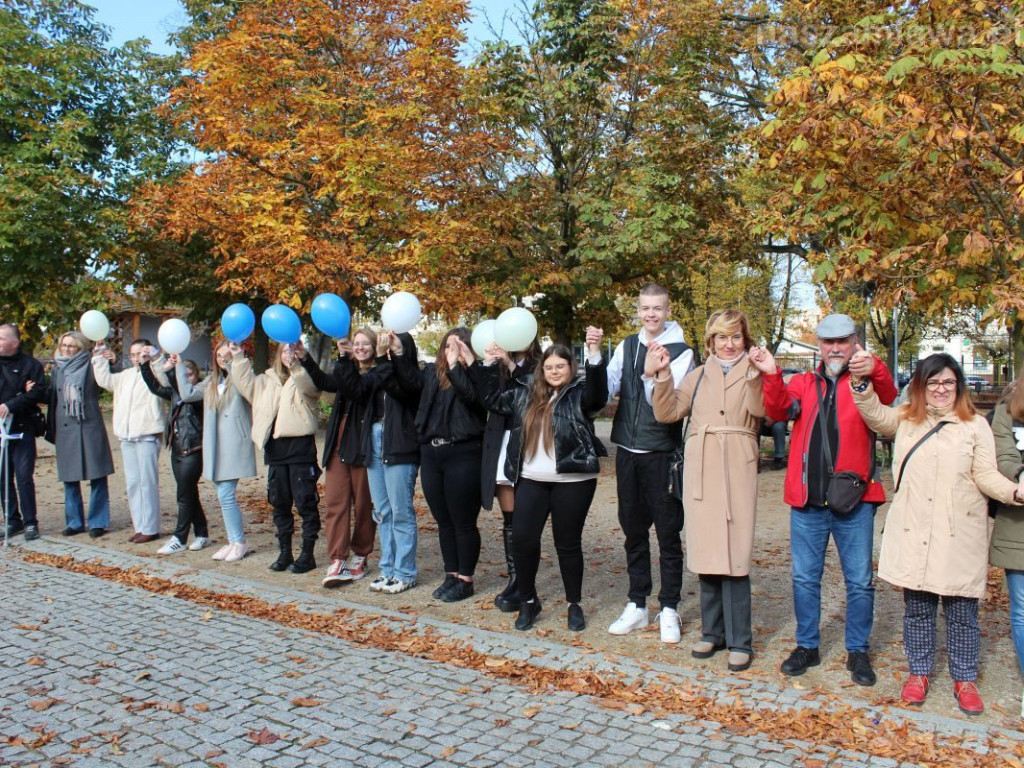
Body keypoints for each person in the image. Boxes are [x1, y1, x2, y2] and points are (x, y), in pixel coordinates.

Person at [851, 352, 1022, 715]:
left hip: (959, 531)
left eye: (948, 382)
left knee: (962, 611)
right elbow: (877, 417)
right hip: (915, 528)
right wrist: (862, 385)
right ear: (921, 386)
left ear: (957, 386)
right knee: (918, 610)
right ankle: (919, 673)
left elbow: (986, 474)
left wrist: (1014, 492)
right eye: (933, 382)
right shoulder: (906, 419)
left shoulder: (975, 425)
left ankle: (964, 678)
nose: (941, 389)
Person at [756, 313, 896, 686]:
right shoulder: (804, 382)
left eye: (842, 342)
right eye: (828, 342)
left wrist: (876, 367)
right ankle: (807, 645)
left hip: (856, 499)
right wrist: (771, 374)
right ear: (819, 346)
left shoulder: (865, 381)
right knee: (804, 578)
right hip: (807, 502)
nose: (835, 349)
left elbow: (892, 399)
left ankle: (858, 650)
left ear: (854, 343)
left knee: (860, 580)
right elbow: (777, 412)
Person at [649, 310, 765, 671]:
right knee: (706, 551)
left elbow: (761, 410)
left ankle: (740, 639)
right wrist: (663, 375)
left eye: (735, 337)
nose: (728, 345)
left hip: (736, 465)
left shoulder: (754, 373)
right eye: (721, 338)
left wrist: (762, 375)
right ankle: (712, 632)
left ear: (745, 340)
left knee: (735, 554)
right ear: (710, 342)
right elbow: (666, 413)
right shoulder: (697, 377)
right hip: (701, 469)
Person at [475, 341, 607, 631]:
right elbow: (493, 401)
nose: (555, 371)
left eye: (561, 365)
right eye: (549, 367)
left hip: (573, 480)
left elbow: (599, 396)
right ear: (541, 370)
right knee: (522, 540)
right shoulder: (527, 395)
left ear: (571, 368)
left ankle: (574, 604)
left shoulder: (580, 394)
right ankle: (529, 601)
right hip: (532, 479)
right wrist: (487, 365)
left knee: (567, 544)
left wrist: (595, 354)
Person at [596, 284, 694, 644]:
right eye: (645, 308)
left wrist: (652, 374)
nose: (651, 314)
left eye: (657, 308)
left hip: (661, 454)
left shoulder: (682, 351)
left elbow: (665, 407)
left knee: (667, 534)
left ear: (668, 310)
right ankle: (637, 604)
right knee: (633, 531)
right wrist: (593, 366)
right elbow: (607, 386)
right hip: (627, 452)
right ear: (637, 311)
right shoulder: (627, 345)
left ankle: (669, 607)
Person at [393, 327, 486, 599]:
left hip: (464, 453)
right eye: (448, 346)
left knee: (463, 521)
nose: (451, 351)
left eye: (458, 346)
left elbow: (475, 399)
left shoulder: (477, 374)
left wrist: (460, 366)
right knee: (443, 520)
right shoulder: (432, 374)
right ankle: (451, 574)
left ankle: (465, 579)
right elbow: (409, 383)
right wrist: (398, 353)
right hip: (432, 454)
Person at [336, 330, 422, 594]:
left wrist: (390, 359)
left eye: (394, 343)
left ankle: (405, 572)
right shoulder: (378, 371)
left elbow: (403, 389)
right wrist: (343, 359)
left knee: (400, 511)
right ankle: (387, 569)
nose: (388, 345)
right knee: (382, 511)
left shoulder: (411, 374)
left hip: (399, 445)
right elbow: (357, 390)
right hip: (374, 440)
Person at [297, 331, 377, 586]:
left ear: (374, 347)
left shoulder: (378, 372)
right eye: (357, 343)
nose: (360, 347)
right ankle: (337, 558)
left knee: (364, 505)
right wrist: (305, 358)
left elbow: (357, 391)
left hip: (362, 445)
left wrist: (344, 359)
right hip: (338, 444)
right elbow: (327, 382)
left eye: (366, 343)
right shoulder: (346, 368)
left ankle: (361, 553)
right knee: (335, 503)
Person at [175, 340, 257, 562]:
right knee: (222, 494)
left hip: (233, 445)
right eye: (219, 356)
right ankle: (233, 541)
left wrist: (234, 362)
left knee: (226, 495)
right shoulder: (212, 381)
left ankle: (239, 542)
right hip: (215, 446)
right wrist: (179, 367)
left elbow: (249, 391)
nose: (223, 359)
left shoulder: (240, 377)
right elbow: (188, 394)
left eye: (227, 355)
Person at [245, 342, 322, 574]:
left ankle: (307, 554)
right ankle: (285, 551)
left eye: (292, 350)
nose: (288, 354)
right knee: (279, 503)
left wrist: (298, 366)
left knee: (305, 503)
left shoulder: (305, 375)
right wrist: (237, 357)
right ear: (278, 355)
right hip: (276, 451)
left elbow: (311, 389)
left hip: (300, 449)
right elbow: (245, 384)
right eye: (284, 350)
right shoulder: (267, 380)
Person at [480, 340, 540, 612]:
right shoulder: (498, 364)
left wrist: (510, 364)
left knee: (526, 521)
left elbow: (533, 390)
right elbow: (487, 398)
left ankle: (527, 583)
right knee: (510, 520)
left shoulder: (539, 364)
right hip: (501, 443)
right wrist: (490, 365)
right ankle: (516, 579)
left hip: (527, 445)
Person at [92, 338, 165, 543]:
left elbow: (165, 380)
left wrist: (154, 358)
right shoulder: (125, 376)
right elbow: (105, 380)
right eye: (133, 354)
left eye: (140, 353)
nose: (136, 358)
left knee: (147, 482)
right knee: (133, 483)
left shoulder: (154, 372)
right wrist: (99, 356)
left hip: (147, 433)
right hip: (127, 435)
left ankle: (151, 527)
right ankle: (140, 525)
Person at [141, 353, 209, 553]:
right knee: (189, 493)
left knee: (183, 495)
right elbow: (154, 387)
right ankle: (202, 533)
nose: (186, 378)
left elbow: (184, 389)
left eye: (190, 374)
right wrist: (145, 364)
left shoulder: (198, 393)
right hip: (177, 449)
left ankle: (179, 538)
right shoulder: (175, 393)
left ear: (196, 376)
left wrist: (173, 370)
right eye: (184, 374)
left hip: (193, 449)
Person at [47, 331, 113, 538]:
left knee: (97, 475)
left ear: (81, 348)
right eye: (64, 345)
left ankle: (98, 521)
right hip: (65, 427)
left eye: (71, 346)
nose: (66, 349)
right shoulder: (57, 368)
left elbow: (109, 381)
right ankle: (74, 522)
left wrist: (110, 361)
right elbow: (52, 397)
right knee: (69, 477)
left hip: (89, 424)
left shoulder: (92, 363)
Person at [991, 371, 1024, 718]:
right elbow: (1003, 455)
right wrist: (1019, 476)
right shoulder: (1008, 411)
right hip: (1019, 525)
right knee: (1023, 610)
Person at [0, 323, 47, 540]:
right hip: (1, 430)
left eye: (1, 338)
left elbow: (37, 392)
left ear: (14, 343)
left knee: (23, 476)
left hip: (23, 428)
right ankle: (12, 520)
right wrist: (20, 392)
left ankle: (30, 522)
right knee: (2, 477)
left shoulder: (31, 364)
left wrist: (12, 403)